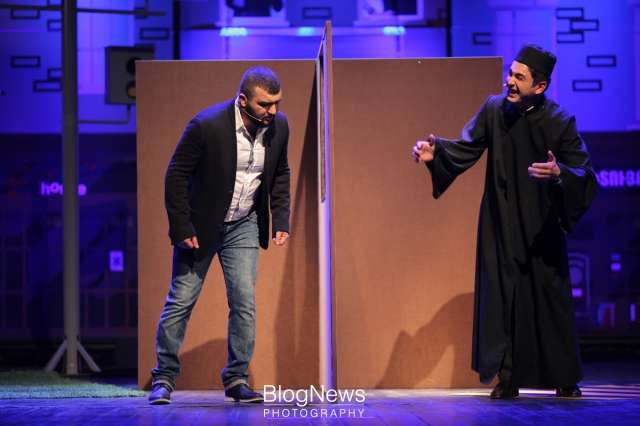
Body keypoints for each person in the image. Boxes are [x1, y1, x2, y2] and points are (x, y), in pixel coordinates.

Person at [412, 45, 596, 399]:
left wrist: (559, 173)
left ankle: (564, 377)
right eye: (510, 73)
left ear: (540, 86)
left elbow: (584, 174)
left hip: (541, 227)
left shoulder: (560, 121)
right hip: (500, 222)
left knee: (549, 300)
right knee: (503, 300)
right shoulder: (494, 109)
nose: (509, 81)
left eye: (518, 77)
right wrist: (437, 154)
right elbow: (467, 146)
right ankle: (508, 377)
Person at [148, 66, 291, 404]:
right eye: (265, 104)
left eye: (277, 103)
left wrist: (281, 219)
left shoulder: (279, 127)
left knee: (244, 301)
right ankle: (164, 378)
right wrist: (181, 227)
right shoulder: (207, 125)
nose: (272, 111)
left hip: (244, 223)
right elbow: (176, 175)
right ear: (243, 100)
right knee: (182, 300)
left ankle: (236, 378)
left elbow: (280, 172)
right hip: (201, 227)